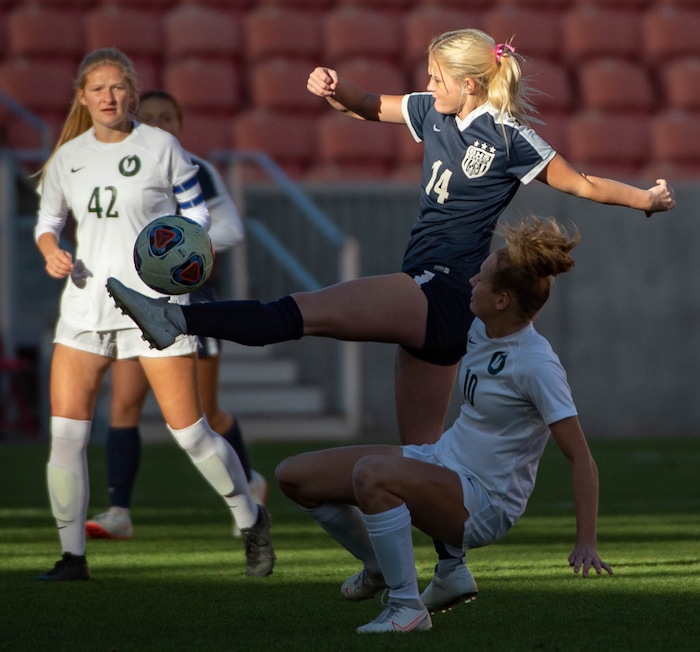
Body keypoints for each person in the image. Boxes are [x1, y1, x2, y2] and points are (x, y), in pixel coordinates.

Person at [103, 29, 672, 598]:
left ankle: (176, 320)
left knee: (302, 313)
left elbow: (585, 184)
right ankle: (451, 571)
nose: (426, 85)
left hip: (440, 288)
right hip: (441, 305)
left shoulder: (510, 138)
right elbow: (372, 106)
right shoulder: (432, 111)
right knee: (425, 456)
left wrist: (645, 199)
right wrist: (335, 90)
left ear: (470, 84)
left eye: (436, 76)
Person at [275, 215, 613, 634]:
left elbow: (579, 456)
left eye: (483, 278)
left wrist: (586, 541)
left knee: (371, 476)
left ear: (503, 300)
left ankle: (407, 608)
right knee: (294, 477)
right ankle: (378, 565)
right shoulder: (479, 326)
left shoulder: (537, 365)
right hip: (440, 461)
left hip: (483, 502)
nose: (472, 281)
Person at [32, 48, 274, 581]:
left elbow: (198, 214)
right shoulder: (67, 157)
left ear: (133, 93)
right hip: (83, 308)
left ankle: (251, 519)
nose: (107, 97)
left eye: (117, 87)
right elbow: (47, 220)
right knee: (66, 436)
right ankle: (72, 557)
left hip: (156, 309)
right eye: (97, 88)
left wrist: (184, 258)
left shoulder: (163, 147)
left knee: (190, 432)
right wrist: (50, 248)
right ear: (82, 96)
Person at [85, 90, 267, 542]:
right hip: (132, 303)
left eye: (167, 117)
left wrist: (184, 247)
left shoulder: (196, 170)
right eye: (149, 118)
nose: (158, 125)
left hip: (193, 303)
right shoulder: (115, 172)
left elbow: (230, 228)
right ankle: (119, 511)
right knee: (124, 403)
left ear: (180, 123)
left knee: (205, 411)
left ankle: (248, 484)